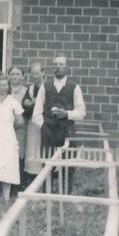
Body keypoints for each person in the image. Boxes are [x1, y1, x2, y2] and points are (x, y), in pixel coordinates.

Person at [32, 54, 86, 193]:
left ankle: (66, 195)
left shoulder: (74, 87)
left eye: (61, 64)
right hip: (48, 130)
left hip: (67, 130)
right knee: (47, 163)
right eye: (55, 64)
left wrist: (66, 114)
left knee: (68, 165)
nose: (58, 67)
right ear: (52, 68)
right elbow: (36, 113)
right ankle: (46, 195)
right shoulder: (45, 86)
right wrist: (44, 127)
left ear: (67, 68)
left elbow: (81, 112)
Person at [0, 77, 22, 201]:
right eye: (0, 84)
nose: (2, 87)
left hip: (8, 136)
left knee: (8, 164)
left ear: (8, 87)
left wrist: (9, 128)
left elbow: (20, 121)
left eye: (5, 85)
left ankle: (6, 196)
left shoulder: (13, 102)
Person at [22, 62, 45, 182]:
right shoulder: (30, 89)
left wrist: (32, 104)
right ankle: (31, 180)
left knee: (42, 151)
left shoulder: (48, 87)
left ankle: (43, 181)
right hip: (32, 125)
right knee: (31, 150)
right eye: (32, 73)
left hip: (44, 125)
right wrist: (33, 105)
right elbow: (25, 105)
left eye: (37, 73)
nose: (35, 76)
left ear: (43, 73)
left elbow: (46, 106)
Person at [7, 65, 28, 188]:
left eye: (17, 74)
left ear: (22, 76)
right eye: (12, 74)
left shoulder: (26, 91)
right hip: (5, 127)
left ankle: (17, 185)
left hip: (20, 127)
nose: (15, 77)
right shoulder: (3, 88)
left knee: (19, 154)